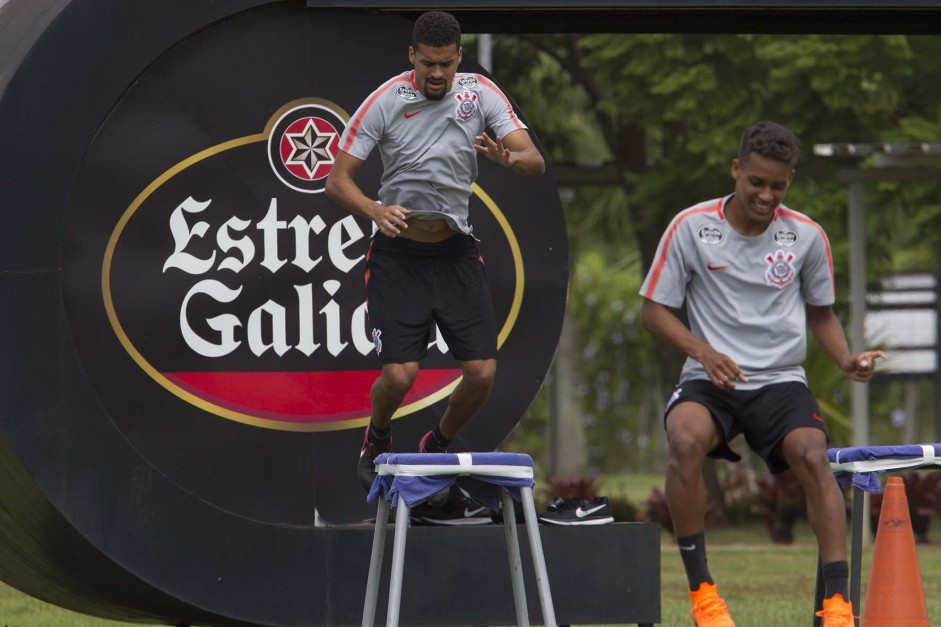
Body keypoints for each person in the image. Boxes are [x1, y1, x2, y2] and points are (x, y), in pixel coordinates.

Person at [638, 121, 884, 627]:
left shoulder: (807, 237)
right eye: (756, 182)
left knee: (813, 456)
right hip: (711, 379)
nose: (766, 195)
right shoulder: (690, 227)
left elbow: (821, 314)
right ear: (737, 171)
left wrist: (846, 360)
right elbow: (654, 311)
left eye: (779, 185)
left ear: (789, 180)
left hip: (780, 380)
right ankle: (703, 594)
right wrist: (702, 352)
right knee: (684, 441)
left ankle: (837, 605)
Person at [325, 11, 545, 502]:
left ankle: (437, 443)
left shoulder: (480, 94)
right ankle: (377, 435)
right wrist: (374, 210)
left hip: (455, 251)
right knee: (400, 376)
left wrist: (509, 158)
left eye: (446, 63)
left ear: (460, 58)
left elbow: (534, 158)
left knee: (483, 372)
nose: (438, 74)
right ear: (412, 58)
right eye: (428, 64)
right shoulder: (385, 100)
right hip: (398, 255)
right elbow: (337, 181)